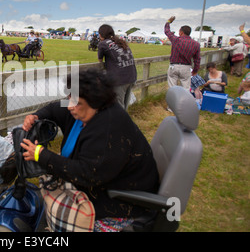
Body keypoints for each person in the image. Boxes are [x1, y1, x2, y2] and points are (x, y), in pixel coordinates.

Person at [20, 68, 159, 231]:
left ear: (94, 101)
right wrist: (36, 116)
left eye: (76, 102)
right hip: (105, 185)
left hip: (120, 202)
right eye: (69, 98)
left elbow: (86, 174)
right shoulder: (84, 107)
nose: (70, 105)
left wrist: (41, 155)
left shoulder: (108, 129)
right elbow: (53, 108)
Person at [97, 24, 137, 110]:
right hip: (131, 76)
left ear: (101, 34)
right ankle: (124, 122)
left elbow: (100, 60)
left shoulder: (103, 44)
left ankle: (120, 122)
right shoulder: (121, 41)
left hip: (120, 79)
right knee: (124, 106)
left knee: (118, 107)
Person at [164, 16, 201, 91]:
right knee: (186, 88)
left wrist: (168, 22)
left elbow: (167, 31)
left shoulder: (176, 40)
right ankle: (185, 101)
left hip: (174, 66)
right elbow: (197, 59)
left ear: (181, 32)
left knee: (172, 87)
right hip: (186, 67)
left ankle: (173, 101)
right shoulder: (196, 44)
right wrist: (195, 70)